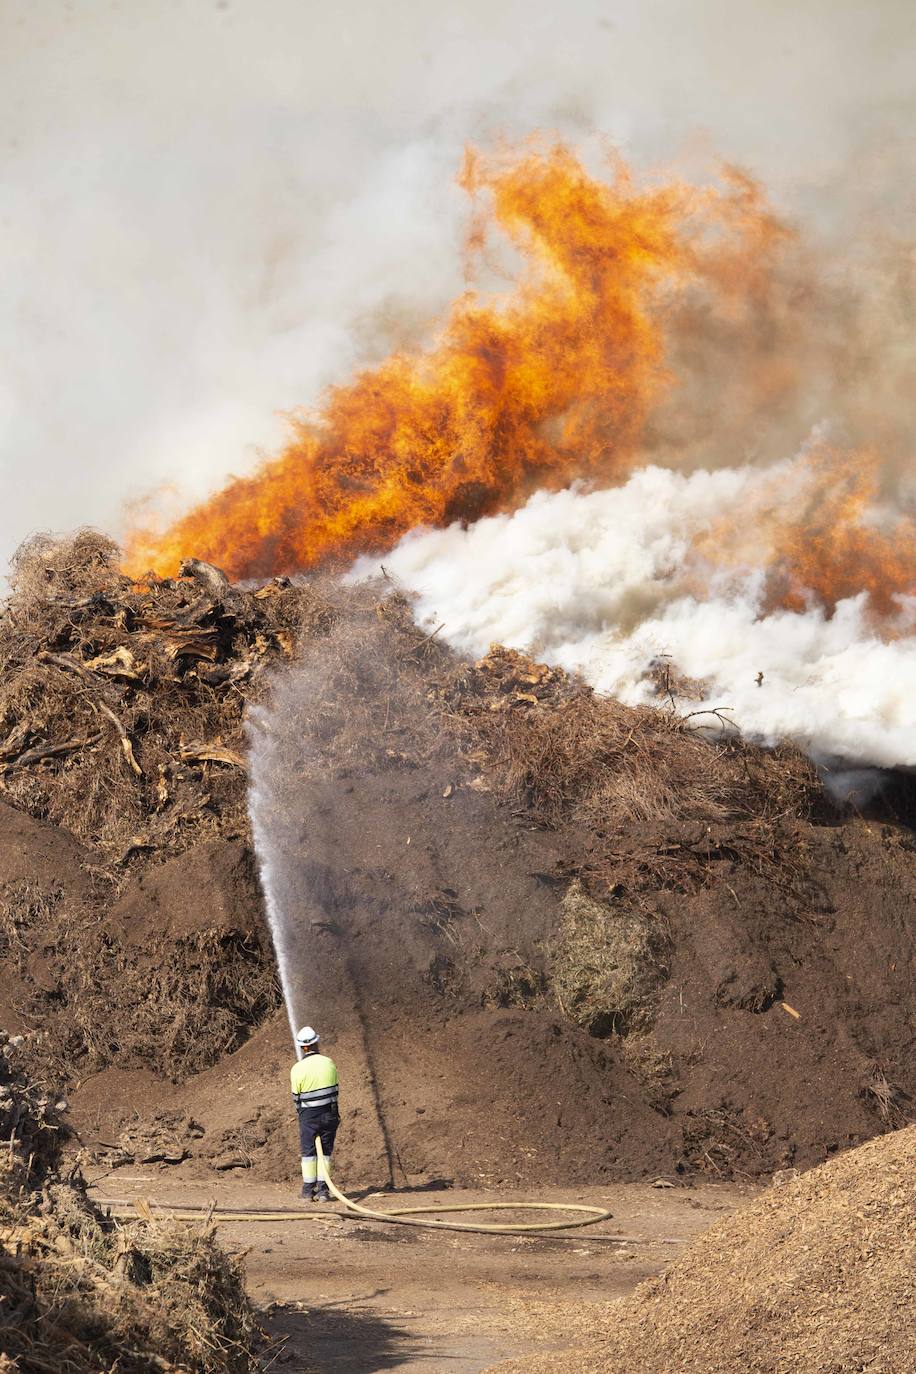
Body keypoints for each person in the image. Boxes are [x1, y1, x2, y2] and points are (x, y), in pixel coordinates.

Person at [291, 1025, 339, 1201]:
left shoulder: (297, 1069)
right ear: (316, 1043)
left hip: (308, 1116)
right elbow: (335, 1091)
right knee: (325, 1152)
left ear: (302, 1048)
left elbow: (296, 1098)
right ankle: (323, 1191)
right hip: (329, 1113)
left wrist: (303, 1115)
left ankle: (306, 1191)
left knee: (308, 1152)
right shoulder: (329, 1063)